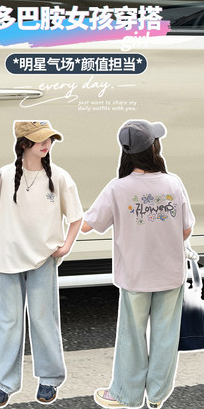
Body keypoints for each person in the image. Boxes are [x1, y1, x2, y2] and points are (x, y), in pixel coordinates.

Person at [81, 120, 195, 409]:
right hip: (170, 274)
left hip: (134, 276)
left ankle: (127, 395)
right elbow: (185, 230)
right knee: (166, 336)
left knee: (132, 336)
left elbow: (88, 225)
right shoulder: (173, 183)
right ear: (154, 148)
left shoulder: (117, 188)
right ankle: (157, 396)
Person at [0, 121, 83, 407]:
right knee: (7, 322)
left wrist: (66, 245)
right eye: (40, 140)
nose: (46, 145)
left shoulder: (59, 177)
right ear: (24, 144)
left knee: (43, 319)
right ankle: (4, 383)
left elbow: (76, 216)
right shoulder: (4, 175)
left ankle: (49, 378)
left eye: (49, 140)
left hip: (43, 259)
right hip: (9, 258)